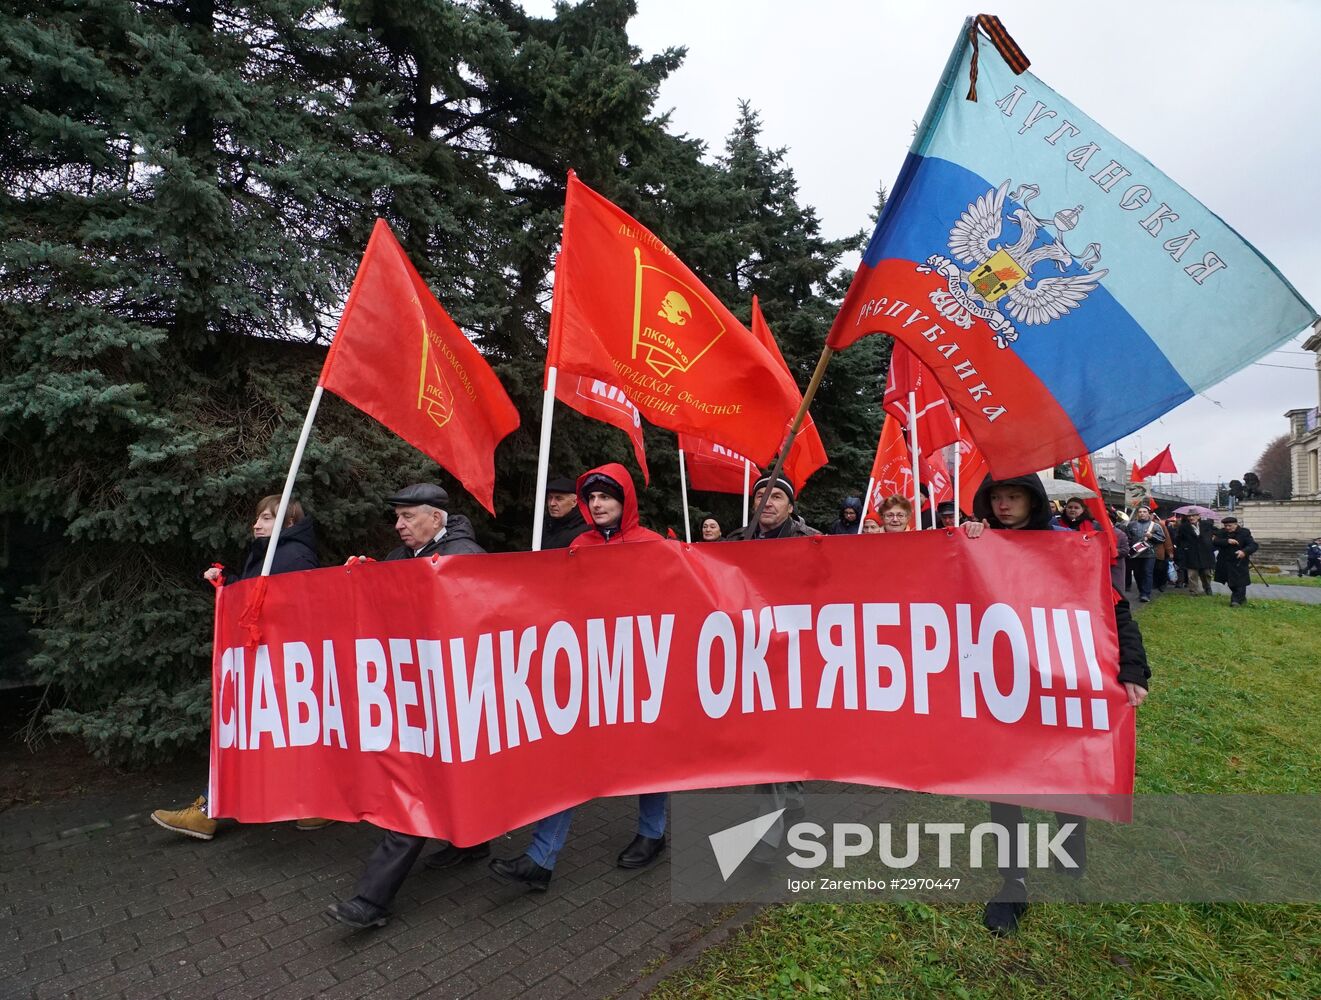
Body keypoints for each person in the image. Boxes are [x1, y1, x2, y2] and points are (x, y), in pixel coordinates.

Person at [962, 473, 1150, 936]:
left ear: (1034, 500)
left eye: (1013, 496)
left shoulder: (1068, 546)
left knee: (1063, 767)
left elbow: (1112, 608)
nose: (1003, 505)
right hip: (998, 686)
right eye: (996, 498)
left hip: (1059, 680)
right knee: (1003, 784)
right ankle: (1014, 882)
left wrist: (1133, 669)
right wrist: (965, 543)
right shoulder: (978, 543)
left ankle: (1071, 831)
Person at [489, 464, 669, 892]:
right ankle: (541, 859)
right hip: (589, 671)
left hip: (643, 668)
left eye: (607, 496)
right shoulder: (578, 544)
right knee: (567, 759)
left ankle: (652, 832)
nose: (598, 504)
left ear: (625, 502)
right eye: (592, 498)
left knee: (653, 756)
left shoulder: (654, 546)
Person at [327, 483, 486, 930]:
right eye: (396, 517)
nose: (399, 526)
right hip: (422, 696)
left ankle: (371, 901)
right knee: (441, 779)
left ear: (436, 517)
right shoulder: (408, 555)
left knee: (417, 791)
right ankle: (473, 843)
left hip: (452, 696)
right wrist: (363, 573)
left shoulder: (464, 556)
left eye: (408, 516)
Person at [151, 495, 324, 842]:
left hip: (277, 662)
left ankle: (208, 812)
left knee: (247, 736)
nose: (256, 525)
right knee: (266, 736)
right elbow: (259, 599)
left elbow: (282, 609)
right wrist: (229, 583)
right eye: (257, 518)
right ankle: (313, 808)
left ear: (288, 523)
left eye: (265, 518)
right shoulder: (274, 552)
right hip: (273, 661)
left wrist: (235, 592)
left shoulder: (290, 556)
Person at [1213, 515, 1259, 607]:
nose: (1227, 528)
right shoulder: (1222, 532)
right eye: (1225, 526)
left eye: (1230, 526)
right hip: (1225, 562)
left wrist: (1244, 551)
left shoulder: (1244, 532)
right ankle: (1241, 597)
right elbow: (1215, 541)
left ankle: (1235, 601)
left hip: (1239, 562)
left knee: (1240, 582)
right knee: (1231, 582)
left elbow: (1253, 545)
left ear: (1235, 524)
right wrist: (1227, 541)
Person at [1124, 506, 1165, 603]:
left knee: (1147, 573)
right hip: (1135, 554)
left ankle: (1146, 594)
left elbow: (1162, 539)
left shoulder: (1155, 526)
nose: (1142, 513)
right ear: (1137, 513)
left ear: (1148, 513)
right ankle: (1141, 591)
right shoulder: (1131, 525)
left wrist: (1152, 536)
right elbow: (1127, 538)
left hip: (1149, 554)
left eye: (1144, 512)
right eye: (1140, 512)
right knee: (1138, 574)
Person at [541, 474, 591, 550]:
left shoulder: (584, 532)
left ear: (574, 502)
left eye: (559, 499)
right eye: (550, 498)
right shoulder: (543, 526)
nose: (552, 503)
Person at [1176, 511, 1216, 596]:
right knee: (1192, 574)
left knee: (1206, 573)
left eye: (1193, 516)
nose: (1191, 518)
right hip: (1191, 553)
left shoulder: (1207, 524)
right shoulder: (1183, 527)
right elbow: (1179, 540)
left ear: (1198, 516)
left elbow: (1217, 533)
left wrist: (1211, 542)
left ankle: (1207, 587)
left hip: (1205, 553)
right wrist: (1184, 547)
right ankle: (1193, 591)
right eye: (1189, 516)